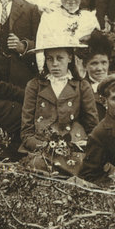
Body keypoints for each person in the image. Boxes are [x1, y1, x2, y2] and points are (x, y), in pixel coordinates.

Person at [20, 38, 100, 174]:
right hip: (43, 146)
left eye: (59, 58)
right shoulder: (35, 86)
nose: (55, 64)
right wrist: (43, 146)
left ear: (70, 58)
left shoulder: (81, 86)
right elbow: (26, 131)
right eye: (50, 59)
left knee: (81, 162)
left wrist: (83, 144)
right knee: (38, 163)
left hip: (73, 144)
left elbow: (93, 126)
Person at [34, 0, 102, 71]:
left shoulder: (89, 18)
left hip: (84, 72)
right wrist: (44, 72)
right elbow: (40, 48)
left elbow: (98, 49)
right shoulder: (50, 17)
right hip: (57, 71)